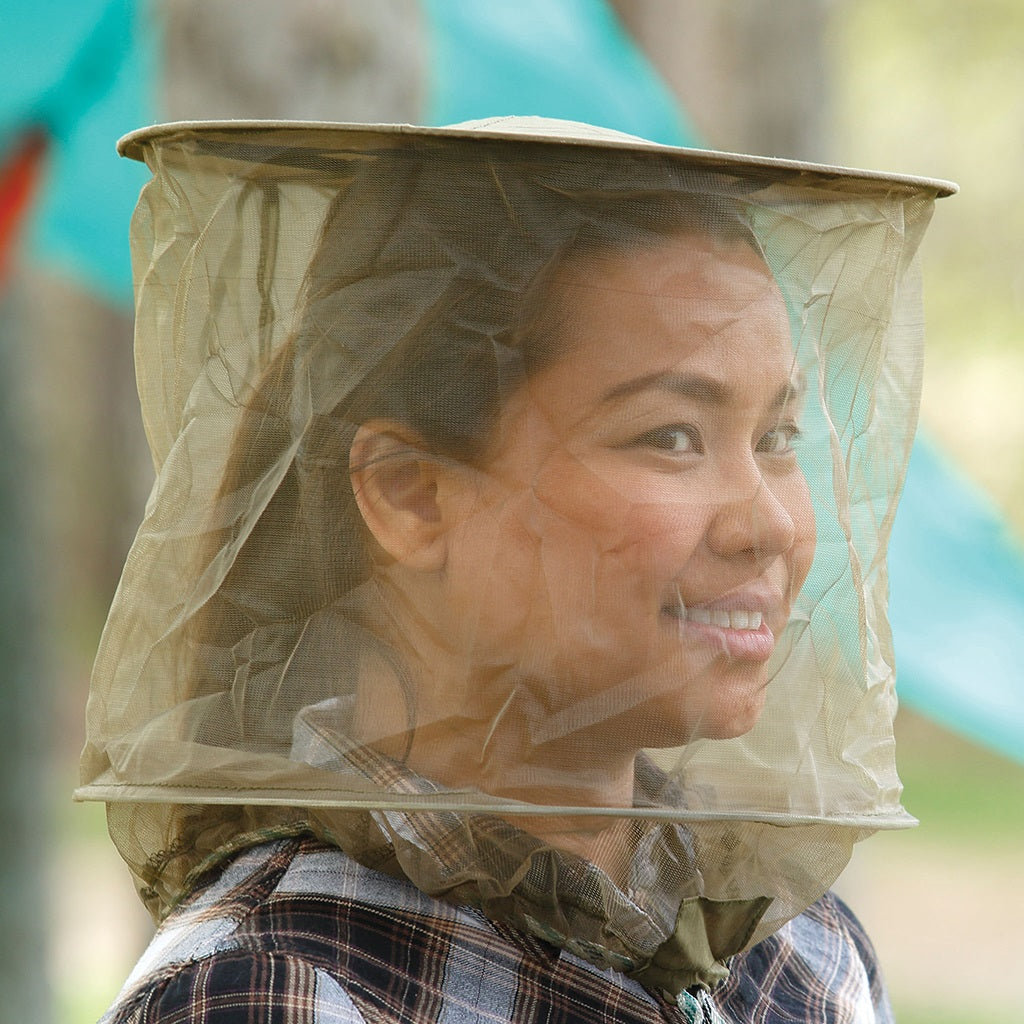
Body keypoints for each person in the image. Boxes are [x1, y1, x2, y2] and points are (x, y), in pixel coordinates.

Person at [80, 117, 954, 1022]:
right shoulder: (278, 993)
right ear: (410, 494)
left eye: (777, 438)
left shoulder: (803, 956)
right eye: (671, 436)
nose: (771, 523)